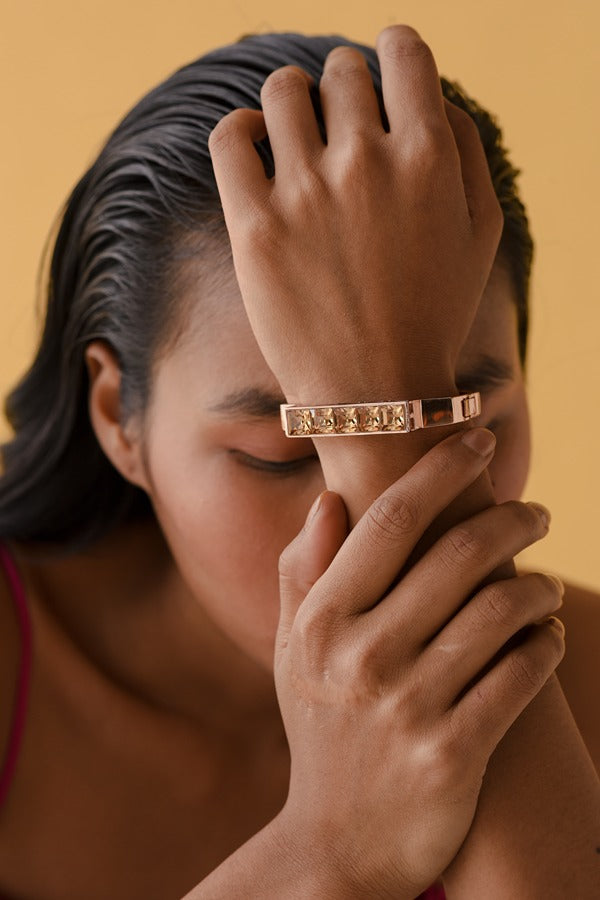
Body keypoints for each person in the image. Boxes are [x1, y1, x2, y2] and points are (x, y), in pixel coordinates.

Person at [0, 22, 598, 899]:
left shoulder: (582, 675)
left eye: (462, 426)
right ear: (115, 419)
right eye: (281, 453)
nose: (360, 527)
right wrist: (334, 847)